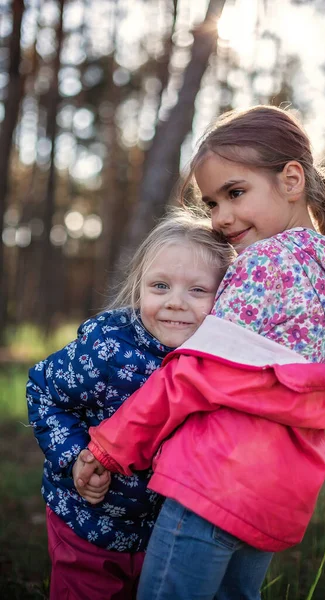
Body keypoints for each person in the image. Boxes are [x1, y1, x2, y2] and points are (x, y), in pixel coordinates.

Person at [75, 105, 325, 600]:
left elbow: (191, 377)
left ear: (291, 179)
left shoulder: (262, 265)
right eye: (211, 203)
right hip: (277, 492)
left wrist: (109, 447)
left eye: (235, 193)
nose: (221, 218)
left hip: (213, 481)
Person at [26, 209, 236, 600]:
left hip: (161, 532)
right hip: (86, 520)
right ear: (139, 287)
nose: (175, 303)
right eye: (160, 286)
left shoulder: (218, 362)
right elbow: (43, 389)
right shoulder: (107, 351)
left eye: (197, 290)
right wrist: (74, 457)